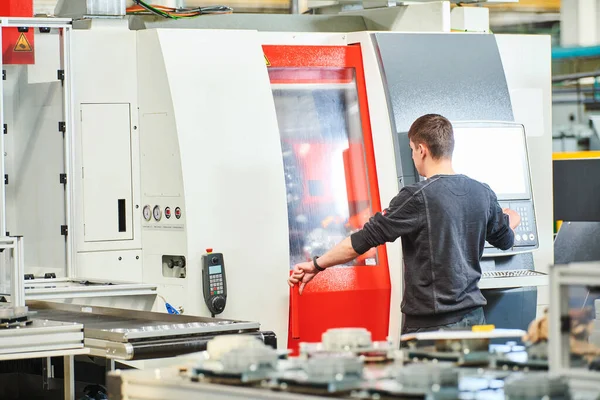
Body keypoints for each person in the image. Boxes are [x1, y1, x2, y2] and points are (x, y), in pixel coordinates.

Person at [287, 114, 521, 334]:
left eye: (411, 150)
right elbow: (505, 240)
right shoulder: (483, 192)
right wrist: (513, 219)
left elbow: (362, 240)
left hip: (432, 328)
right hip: (475, 319)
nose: (412, 156)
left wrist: (317, 264)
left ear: (422, 150)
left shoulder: (417, 196)